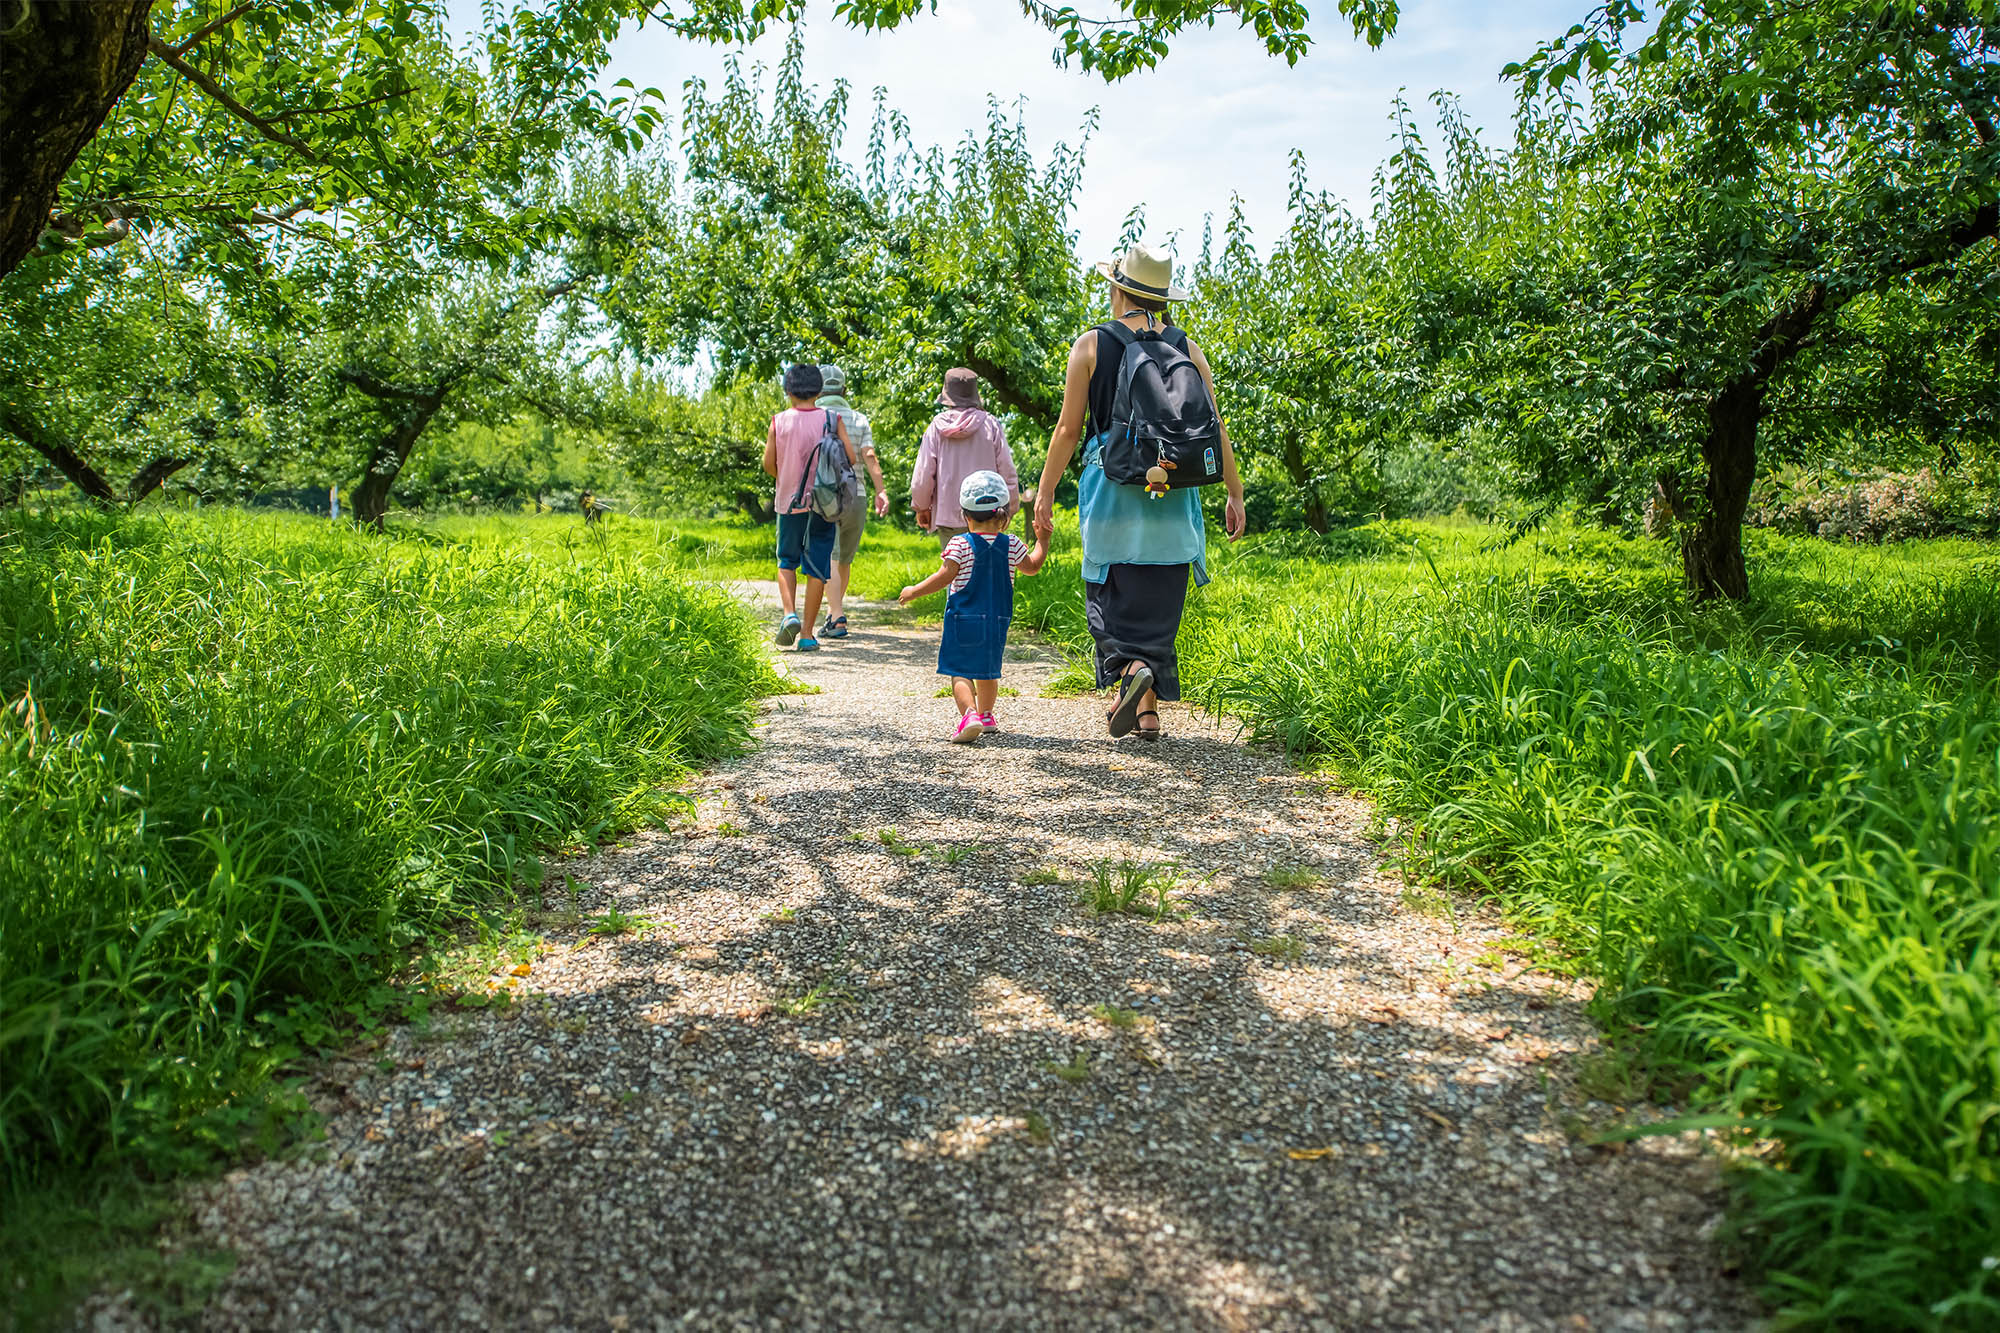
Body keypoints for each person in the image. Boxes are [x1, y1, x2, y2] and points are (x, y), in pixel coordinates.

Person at [1031, 242, 1246, 741]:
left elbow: (1067, 430)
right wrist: (1233, 492)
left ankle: (1129, 675)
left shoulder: (1092, 345)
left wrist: (1044, 493)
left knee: (1109, 595)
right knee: (1157, 603)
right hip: (1173, 495)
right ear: (1162, 298)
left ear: (1118, 289)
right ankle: (1146, 712)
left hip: (1112, 491)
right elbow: (1214, 427)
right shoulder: (1186, 348)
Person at [899, 470, 1049, 743]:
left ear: (965, 515)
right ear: (1002, 515)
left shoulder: (960, 544)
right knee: (988, 670)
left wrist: (913, 591)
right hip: (997, 620)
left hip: (963, 620)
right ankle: (987, 715)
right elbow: (1033, 567)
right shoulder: (1012, 544)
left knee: (960, 670)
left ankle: (969, 715)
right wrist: (1043, 541)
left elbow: (943, 577)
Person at [763, 363, 861, 653]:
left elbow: (769, 464)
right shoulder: (832, 418)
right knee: (818, 565)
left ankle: (788, 614)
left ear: (788, 390)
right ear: (818, 391)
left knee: (786, 560)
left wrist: (788, 477)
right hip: (824, 503)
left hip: (788, 502)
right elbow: (850, 458)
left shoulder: (778, 421)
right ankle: (806, 634)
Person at [815, 364, 891, 639]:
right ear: (844, 390)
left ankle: (836, 616)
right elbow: (869, 456)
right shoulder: (859, 418)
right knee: (844, 559)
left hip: (823, 498)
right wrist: (881, 491)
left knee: (830, 557)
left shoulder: (815, 416)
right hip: (855, 495)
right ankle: (834, 611)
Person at [909, 368, 1019, 549]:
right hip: (988, 513)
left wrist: (922, 507)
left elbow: (923, 474)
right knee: (986, 571)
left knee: (954, 572)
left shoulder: (936, 428)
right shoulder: (990, 424)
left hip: (948, 515)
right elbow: (1006, 469)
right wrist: (1010, 506)